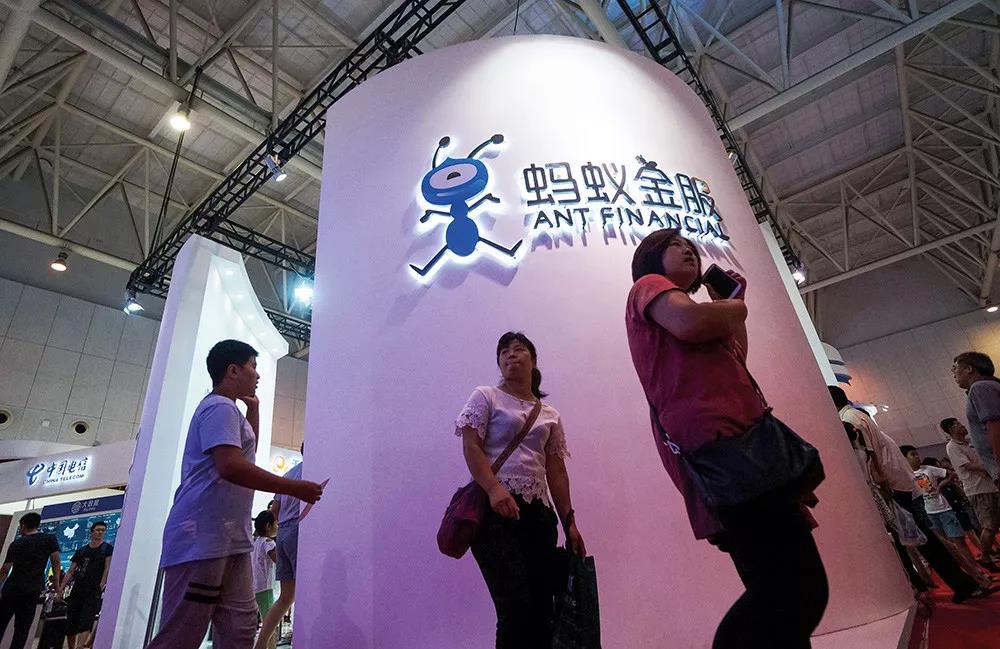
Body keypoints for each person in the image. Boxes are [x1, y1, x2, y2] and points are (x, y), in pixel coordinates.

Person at [625, 228, 826, 649]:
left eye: (690, 247)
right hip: (726, 454)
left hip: (743, 451)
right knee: (794, 589)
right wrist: (736, 306)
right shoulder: (649, 286)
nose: (687, 250)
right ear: (651, 257)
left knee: (782, 590)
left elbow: (736, 357)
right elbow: (692, 322)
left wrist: (729, 306)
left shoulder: (700, 313)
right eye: (674, 246)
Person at [146, 340, 324, 649]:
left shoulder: (229, 412)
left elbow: (245, 453)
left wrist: (253, 408)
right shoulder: (219, 407)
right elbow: (231, 466)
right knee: (182, 633)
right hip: (203, 538)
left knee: (240, 628)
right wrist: (295, 488)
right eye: (253, 366)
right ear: (233, 370)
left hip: (230, 539)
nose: (257, 374)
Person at [457, 332, 585, 649]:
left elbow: (556, 470)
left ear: (534, 360)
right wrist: (494, 489)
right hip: (495, 513)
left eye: (519, 349)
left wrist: (569, 520)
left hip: (538, 515)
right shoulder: (486, 396)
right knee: (514, 609)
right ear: (499, 362)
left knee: (542, 610)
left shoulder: (549, 414)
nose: (511, 355)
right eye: (504, 351)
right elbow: (471, 447)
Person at [829, 387, 989, 602]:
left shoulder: (851, 419)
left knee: (916, 540)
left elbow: (870, 454)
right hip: (897, 484)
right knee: (920, 539)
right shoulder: (858, 417)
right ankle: (963, 582)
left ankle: (957, 584)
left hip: (890, 487)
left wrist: (880, 484)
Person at [902, 446, 992, 589]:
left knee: (958, 541)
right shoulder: (906, 476)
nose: (917, 457)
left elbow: (951, 474)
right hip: (928, 512)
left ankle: (978, 571)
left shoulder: (928, 469)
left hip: (943, 509)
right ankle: (969, 573)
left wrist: (940, 486)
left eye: (917, 454)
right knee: (946, 545)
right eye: (913, 455)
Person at [255, 448, 308, 649]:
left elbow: (274, 512)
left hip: (283, 533)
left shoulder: (287, 475)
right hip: (299, 530)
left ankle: (260, 644)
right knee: (304, 591)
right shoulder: (311, 470)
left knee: (286, 596)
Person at [0, 512, 63, 649]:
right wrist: (57, 586)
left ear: (23, 526)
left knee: (1, 623)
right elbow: (56, 562)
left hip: (11, 589)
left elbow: (5, 569)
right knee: (22, 630)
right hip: (32, 591)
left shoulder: (17, 543)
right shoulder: (49, 539)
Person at [944, 417, 1000, 562]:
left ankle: (992, 552)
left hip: (990, 486)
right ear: (951, 429)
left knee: (994, 525)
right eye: (958, 424)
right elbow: (967, 466)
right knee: (989, 527)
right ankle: (985, 556)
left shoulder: (969, 444)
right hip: (978, 489)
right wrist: (990, 468)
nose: (962, 426)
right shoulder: (952, 447)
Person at [62, 521, 113, 649]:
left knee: (87, 620)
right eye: (98, 530)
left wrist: (102, 584)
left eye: (103, 530)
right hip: (78, 588)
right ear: (92, 531)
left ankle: (80, 646)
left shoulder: (107, 549)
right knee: (71, 621)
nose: (100, 532)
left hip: (93, 589)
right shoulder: (82, 551)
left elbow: (107, 567)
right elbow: (71, 571)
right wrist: (61, 588)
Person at [952, 352, 1000, 483]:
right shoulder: (990, 385)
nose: (953, 374)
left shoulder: (980, 387)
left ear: (969, 369)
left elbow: (994, 426)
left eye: (955, 368)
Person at [251, 511, 278, 649]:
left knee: (265, 620)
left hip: (254, 586)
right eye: (276, 524)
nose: (277, 527)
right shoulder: (268, 542)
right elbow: (277, 560)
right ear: (268, 526)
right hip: (265, 587)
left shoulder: (255, 542)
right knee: (270, 622)